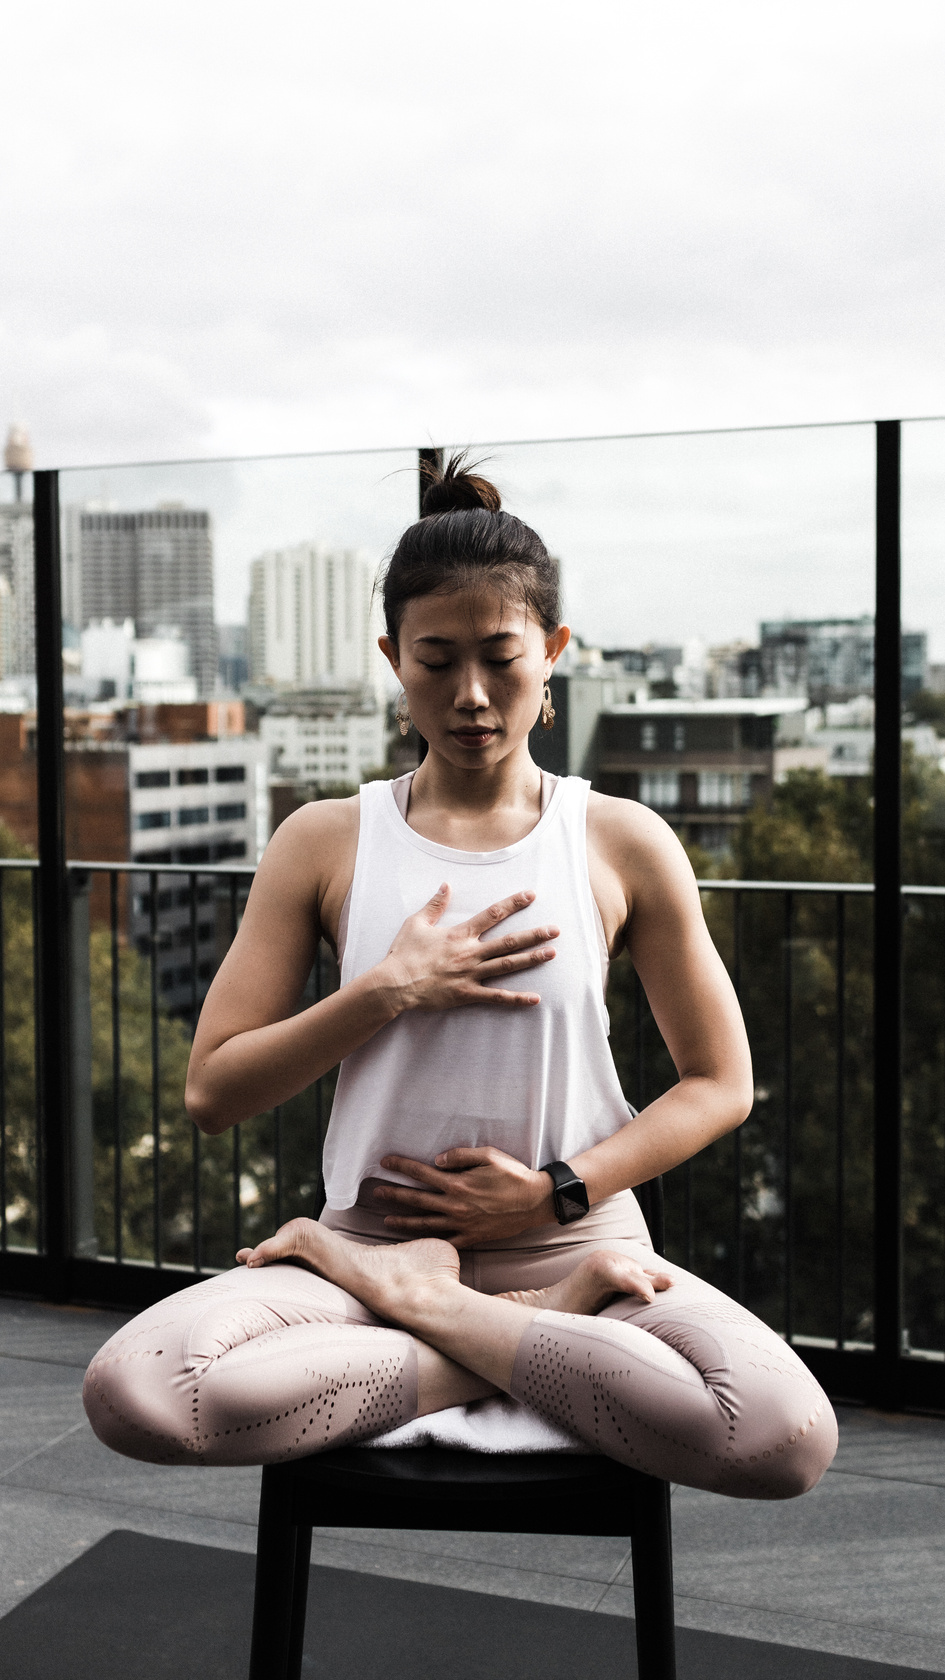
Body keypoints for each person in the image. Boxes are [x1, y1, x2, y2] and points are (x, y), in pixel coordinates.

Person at [84, 456, 837, 1498]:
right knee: (139, 1391)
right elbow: (214, 1091)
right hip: (370, 1252)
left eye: (501, 659)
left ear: (554, 652)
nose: (471, 695)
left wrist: (554, 1192)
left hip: (577, 1242)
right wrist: (384, 991)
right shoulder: (323, 840)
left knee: (782, 1436)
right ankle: (514, 1329)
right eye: (435, 661)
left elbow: (721, 1084)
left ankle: (481, 1314)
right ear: (393, 660)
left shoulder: (621, 840)